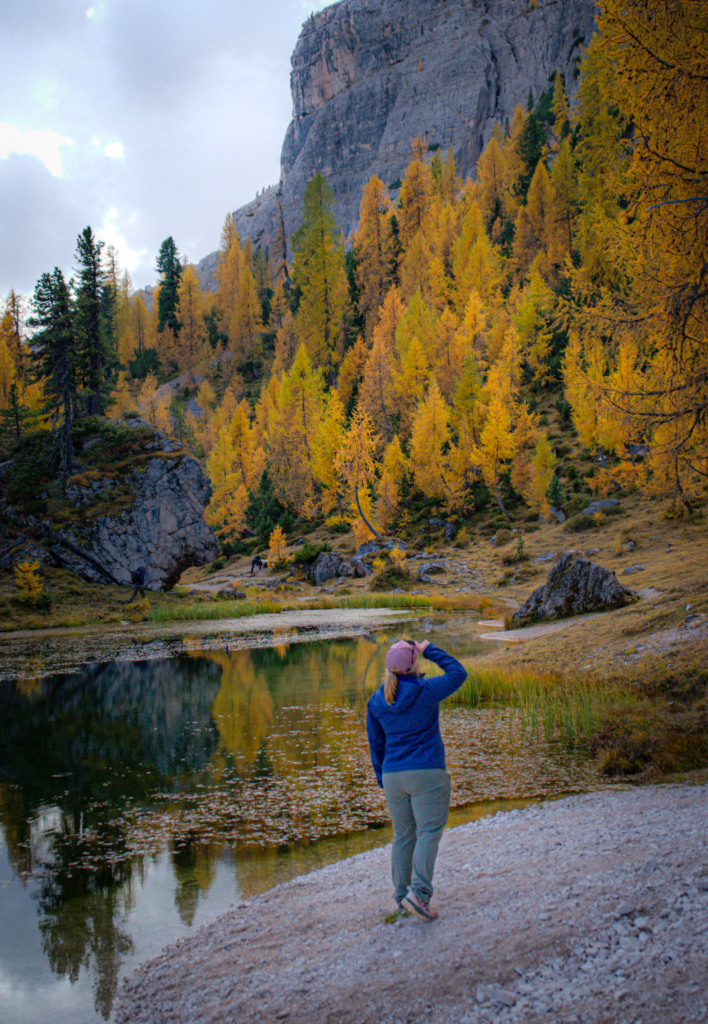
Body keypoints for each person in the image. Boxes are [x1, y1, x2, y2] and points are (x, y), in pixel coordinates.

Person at [366, 638, 467, 922]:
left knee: (403, 836)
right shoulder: (425, 690)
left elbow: (376, 744)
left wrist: (382, 778)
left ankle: (402, 899)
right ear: (414, 664)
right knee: (428, 832)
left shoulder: (377, 700)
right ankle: (420, 895)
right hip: (426, 772)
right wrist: (430, 649)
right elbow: (458, 673)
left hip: (393, 775)